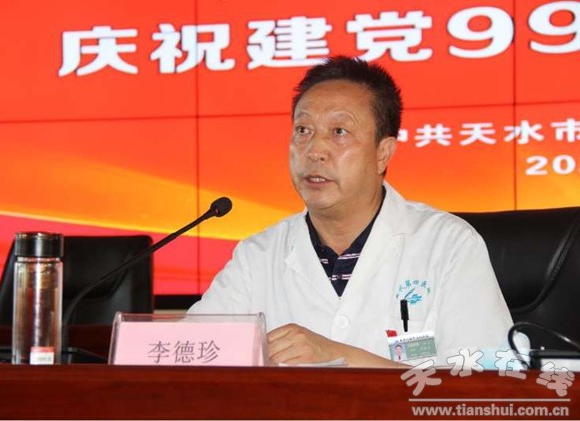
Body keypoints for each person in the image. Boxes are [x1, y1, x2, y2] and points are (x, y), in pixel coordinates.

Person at [189, 56, 514, 368]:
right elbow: (189, 355)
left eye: (339, 132)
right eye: (303, 130)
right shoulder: (257, 255)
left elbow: (490, 383)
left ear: (383, 153)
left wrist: (342, 356)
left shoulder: (448, 245)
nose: (314, 151)